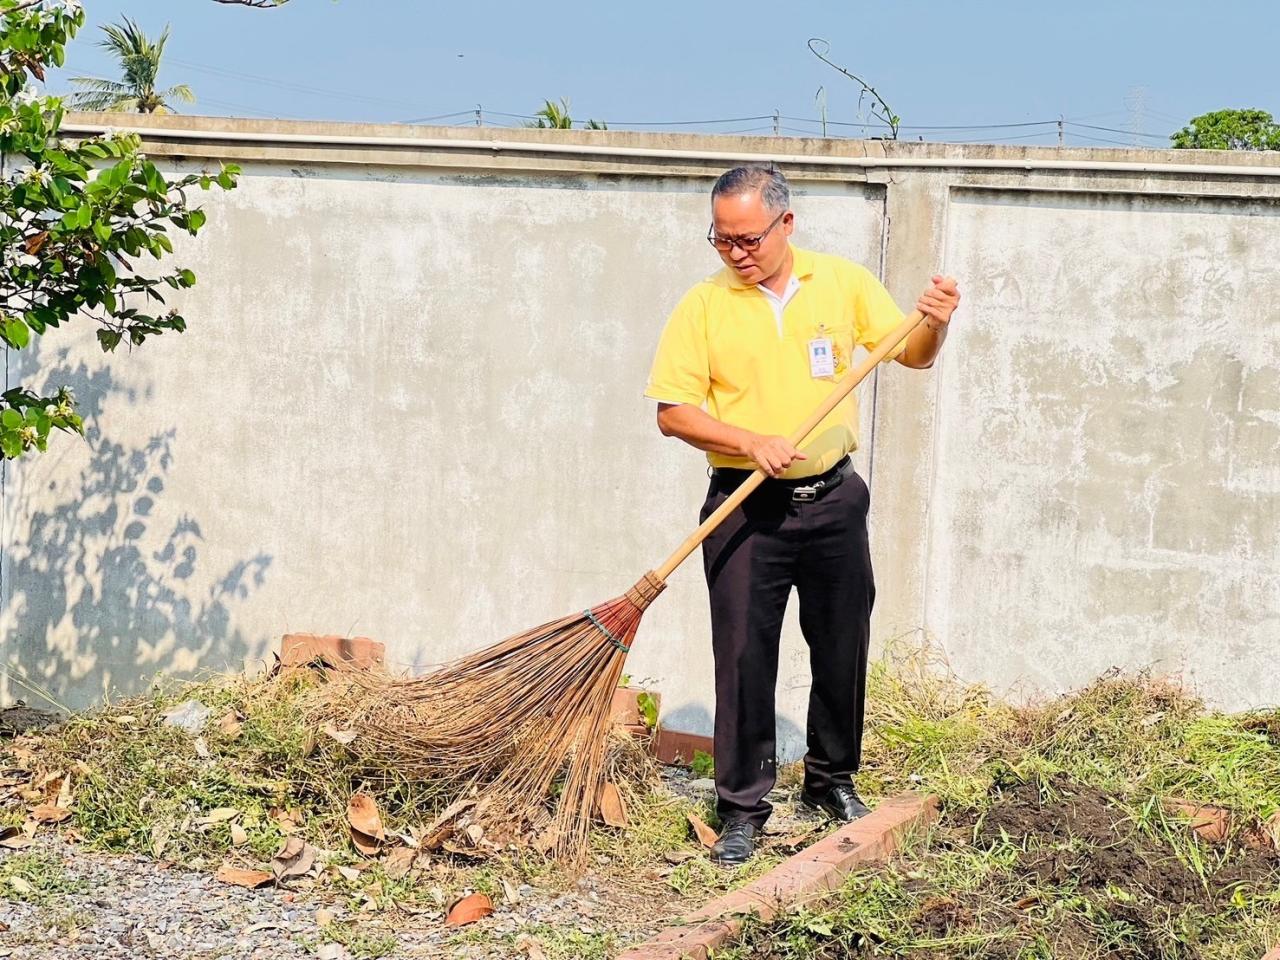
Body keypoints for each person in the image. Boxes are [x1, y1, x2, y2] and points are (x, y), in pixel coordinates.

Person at [644, 164, 960, 865]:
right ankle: (742, 809)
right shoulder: (704, 305)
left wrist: (935, 323)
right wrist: (747, 440)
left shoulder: (841, 284)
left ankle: (830, 780)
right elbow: (673, 411)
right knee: (743, 655)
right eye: (721, 240)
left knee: (842, 643)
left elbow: (911, 354)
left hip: (834, 498)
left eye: (748, 238)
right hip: (742, 504)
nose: (736, 253)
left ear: (787, 224)